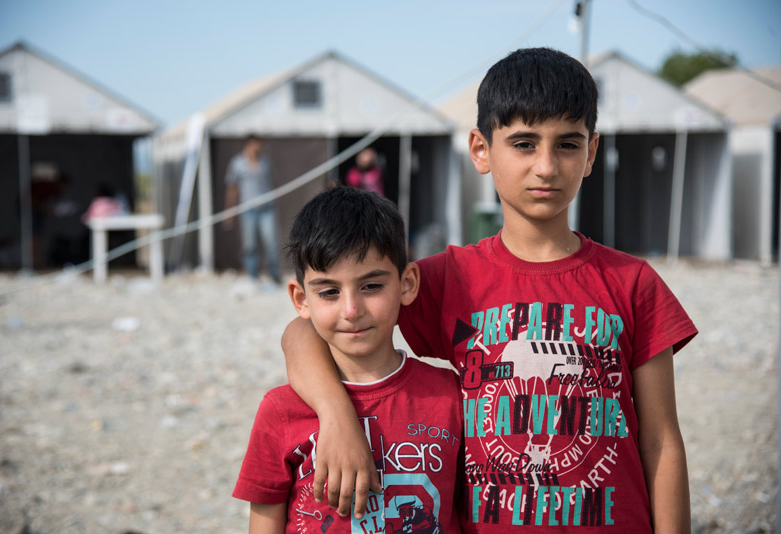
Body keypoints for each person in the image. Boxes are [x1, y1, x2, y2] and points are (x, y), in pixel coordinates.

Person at [282, 47, 697, 532]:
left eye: (567, 144)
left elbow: (662, 441)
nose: (546, 166)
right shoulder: (446, 278)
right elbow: (304, 330)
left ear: (591, 153)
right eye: (524, 143)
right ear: (481, 149)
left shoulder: (632, 283)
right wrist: (336, 416)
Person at [233, 186, 463, 533]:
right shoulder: (281, 411)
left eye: (371, 286)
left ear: (407, 284)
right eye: (329, 292)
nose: (351, 310)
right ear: (301, 299)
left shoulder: (450, 397)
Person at [224, 134, 281, 286]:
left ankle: (274, 276)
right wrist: (229, 211)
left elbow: (271, 181)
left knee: (271, 243)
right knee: (249, 245)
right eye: (256, 144)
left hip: (267, 208)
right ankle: (253, 277)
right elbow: (232, 188)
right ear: (248, 145)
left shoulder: (265, 161)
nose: (258, 148)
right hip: (248, 209)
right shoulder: (237, 163)